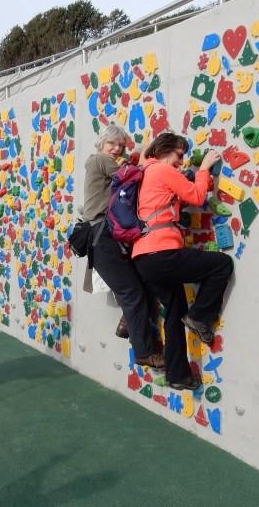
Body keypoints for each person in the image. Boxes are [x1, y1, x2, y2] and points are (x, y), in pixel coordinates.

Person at [131, 132, 234, 391]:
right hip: (163, 253)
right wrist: (206, 168)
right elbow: (198, 197)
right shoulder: (161, 171)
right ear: (165, 150)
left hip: (144, 259)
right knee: (221, 265)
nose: (182, 160)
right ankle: (199, 316)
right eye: (179, 154)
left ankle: (178, 376)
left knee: (175, 312)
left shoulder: (144, 172)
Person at [82, 125, 164, 369]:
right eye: (112, 144)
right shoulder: (100, 159)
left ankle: (127, 323)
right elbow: (131, 174)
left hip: (110, 236)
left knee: (141, 280)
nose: (116, 149)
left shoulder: (104, 162)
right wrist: (150, 149)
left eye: (120, 145)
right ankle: (144, 352)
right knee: (132, 292)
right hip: (102, 236)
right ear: (101, 143)